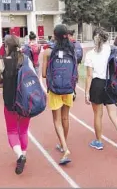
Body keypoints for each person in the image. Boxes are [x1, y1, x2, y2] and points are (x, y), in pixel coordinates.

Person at [0, 35, 36, 175]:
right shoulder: (26, 60)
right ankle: (23, 154)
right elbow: (32, 77)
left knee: (12, 130)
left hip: (10, 101)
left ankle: (19, 156)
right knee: (23, 130)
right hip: (25, 102)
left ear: (7, 46)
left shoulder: (3, 62)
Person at [84, 27, 117, 158]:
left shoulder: (90, 54)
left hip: (97, 85)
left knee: (97, 115)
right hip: (111, 84)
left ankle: (98, 141)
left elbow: (89, 76)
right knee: (113, 115)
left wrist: (86, 93)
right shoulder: (114, 49)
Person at [42, 24, 76, 165]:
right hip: (68, 88)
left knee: (57, 120)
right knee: (65, 118)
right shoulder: (71, 50)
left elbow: (44, 74)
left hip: (55, 89)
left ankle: (65, 148)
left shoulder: (49, 52)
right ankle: (63, 144)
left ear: (54, 36)